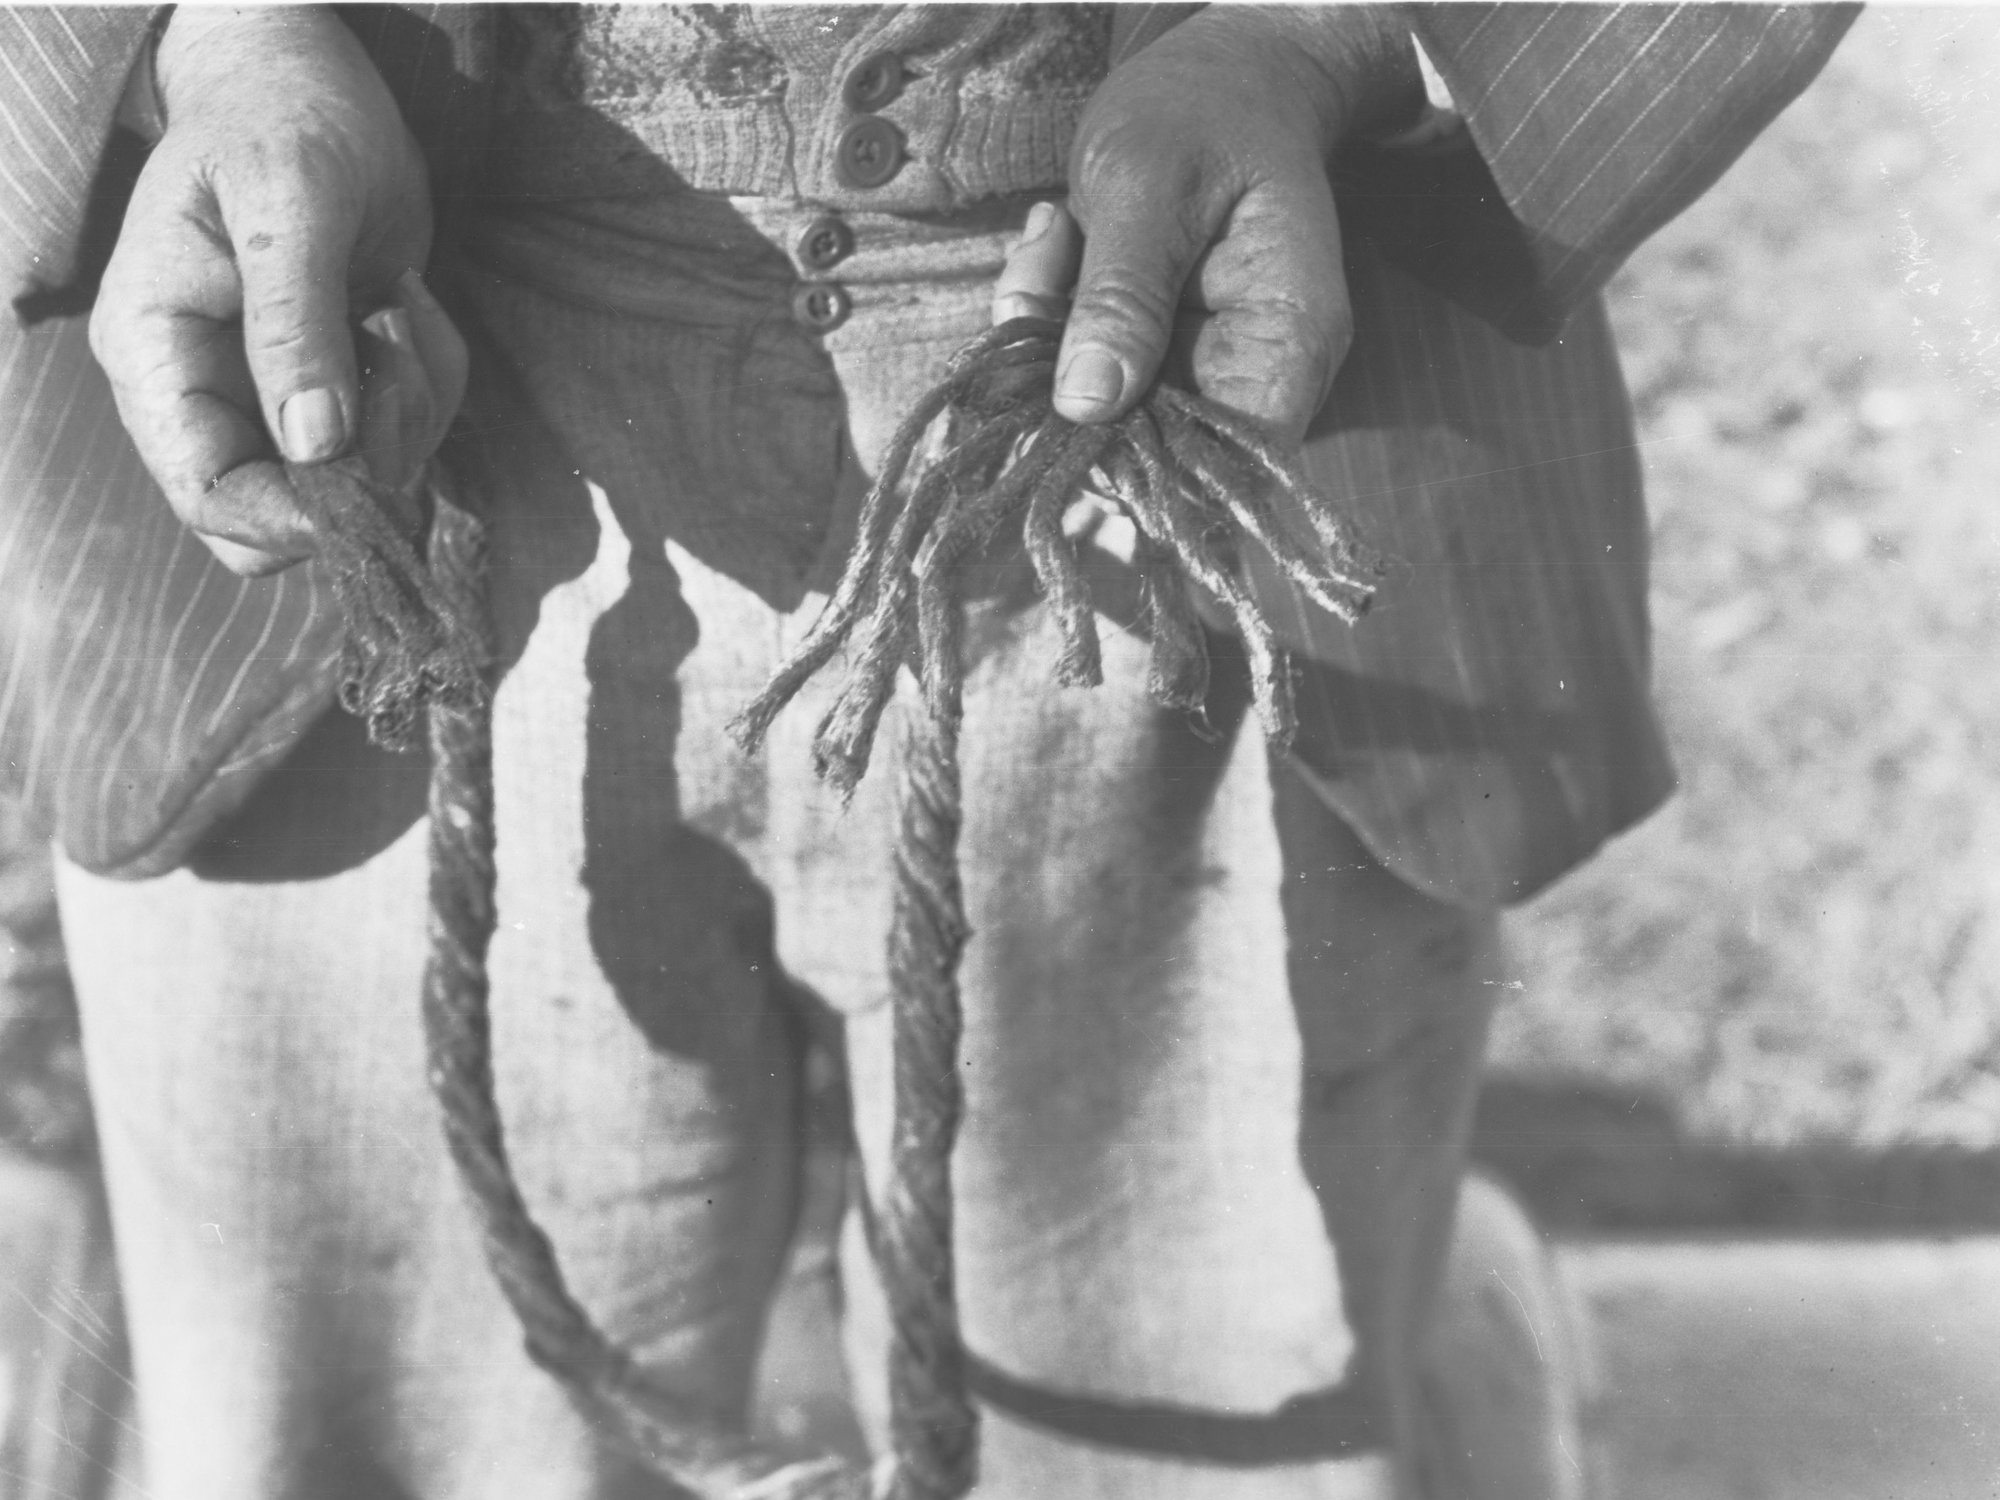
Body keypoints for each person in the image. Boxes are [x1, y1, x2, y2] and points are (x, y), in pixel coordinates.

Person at [0, 5, 1853, 1498]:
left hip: (1194, 433)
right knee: (375, 1425)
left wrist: (1324, 34)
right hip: (361, 421)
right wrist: (203, 43)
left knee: (1200, 1391)